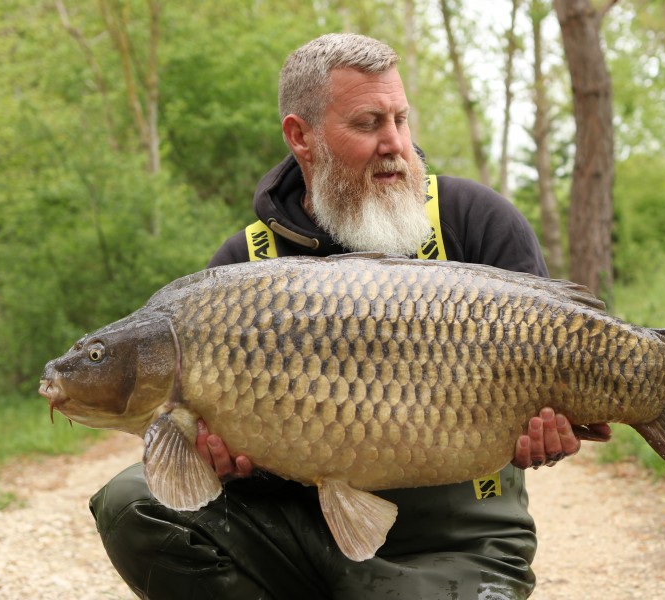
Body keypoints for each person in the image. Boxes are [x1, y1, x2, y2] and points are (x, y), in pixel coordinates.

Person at [90, 33, 610, 599]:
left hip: (460, 541)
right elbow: (202, 460)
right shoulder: (242, 267)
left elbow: (552, 385)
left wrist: (553, 433)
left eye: (401, 120)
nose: (395, 144)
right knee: (132, 504)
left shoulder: (475, 220)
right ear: (301, 137)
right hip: (298, 531)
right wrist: (222, 462)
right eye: (368, 124)